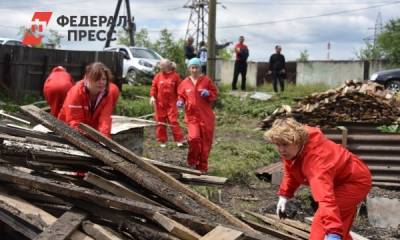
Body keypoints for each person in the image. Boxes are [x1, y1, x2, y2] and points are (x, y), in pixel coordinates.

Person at [264, 118, 372, 240]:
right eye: (278, 144)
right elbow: (292, 169)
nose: (281, 150)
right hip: (338, 178)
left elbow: (325, 199)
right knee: (339, 227)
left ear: (298, 141)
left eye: (285, 145)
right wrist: (284, 195)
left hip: (353, 182)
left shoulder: (316, 162)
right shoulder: (293, 150)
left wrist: (333, 232)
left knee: (322, 225)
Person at [177, 58, 218, 173]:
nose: (194, 70)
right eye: (192, 67)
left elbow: (214, 94)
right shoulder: (184, 82)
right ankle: (192, 162)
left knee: (206, 142)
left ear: (200, 68)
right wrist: (180, 101)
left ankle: (202, 167)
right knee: (194, 138)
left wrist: (209, 93)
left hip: (206, 117)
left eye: (196, 67)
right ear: (189, 69)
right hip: (192, 117)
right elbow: (180, 95)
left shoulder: (206, 80)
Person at [58, 62, 116, 138]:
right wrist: (91, 138)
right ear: (87, 78)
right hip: (67, 131)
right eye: (97, 79)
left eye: (104, 79)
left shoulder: (107, 95)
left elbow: (105, 120)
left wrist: (104, 139)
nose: (101, 82)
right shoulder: (76, 93)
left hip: (91, 134)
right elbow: (74, 122)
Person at [149, 59, 184, 148]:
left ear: (167, 66)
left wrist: (180, 99)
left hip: (172, 103)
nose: (160, 67)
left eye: (161, 65)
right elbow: (153, 87)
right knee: (160, 122)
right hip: (160, 103)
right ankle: (162, 141)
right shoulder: (158, 76)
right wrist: (152, 96)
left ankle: (179, 140)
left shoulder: (175, 76)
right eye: (160, 65)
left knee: (173, 121)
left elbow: (179, 89)